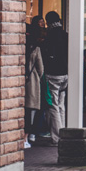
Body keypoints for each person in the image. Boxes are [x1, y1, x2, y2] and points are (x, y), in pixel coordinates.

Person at [42, 10, 69, 145]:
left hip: (53, 74)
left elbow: (47, 54)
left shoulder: (50, 36)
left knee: (53, 106)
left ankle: (57, 137)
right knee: (61, 105)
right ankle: (63, 131)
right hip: (65, 74)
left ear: (48, 22)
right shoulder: (65, 34)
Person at [24, 17, 46, 149]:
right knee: (29, 110)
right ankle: (27, 137)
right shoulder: (36, 48)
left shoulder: (19, 45)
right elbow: (41, 68)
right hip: (31, 81)